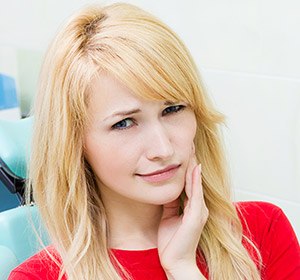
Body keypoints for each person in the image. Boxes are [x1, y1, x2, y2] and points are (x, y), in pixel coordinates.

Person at [8, 2, 300, 280]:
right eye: (124, 123)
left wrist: (183, 267)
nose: (163, 149)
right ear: (75, 143)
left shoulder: (262, 233)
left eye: (172, 109)